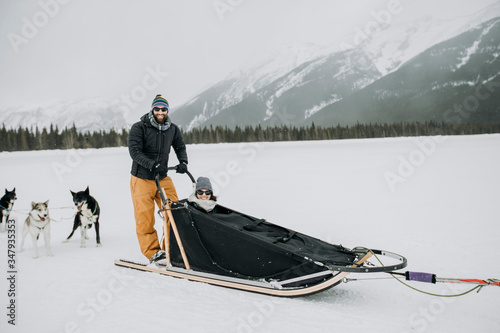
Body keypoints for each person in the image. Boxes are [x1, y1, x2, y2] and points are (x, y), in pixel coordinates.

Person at [128, 94, 188, 265]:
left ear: (167, 110)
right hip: (142, 179)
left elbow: (179, 146)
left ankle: (170, 248)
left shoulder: (172, 129)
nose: (160, 112)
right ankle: (153, 252)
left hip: (162, 178)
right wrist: (152, 164)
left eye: (163, 109)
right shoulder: (139, 128)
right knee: (145, 218)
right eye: (157, 109)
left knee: (175, 212)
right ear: (152, 110)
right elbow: (134, 152)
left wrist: (183, 162)